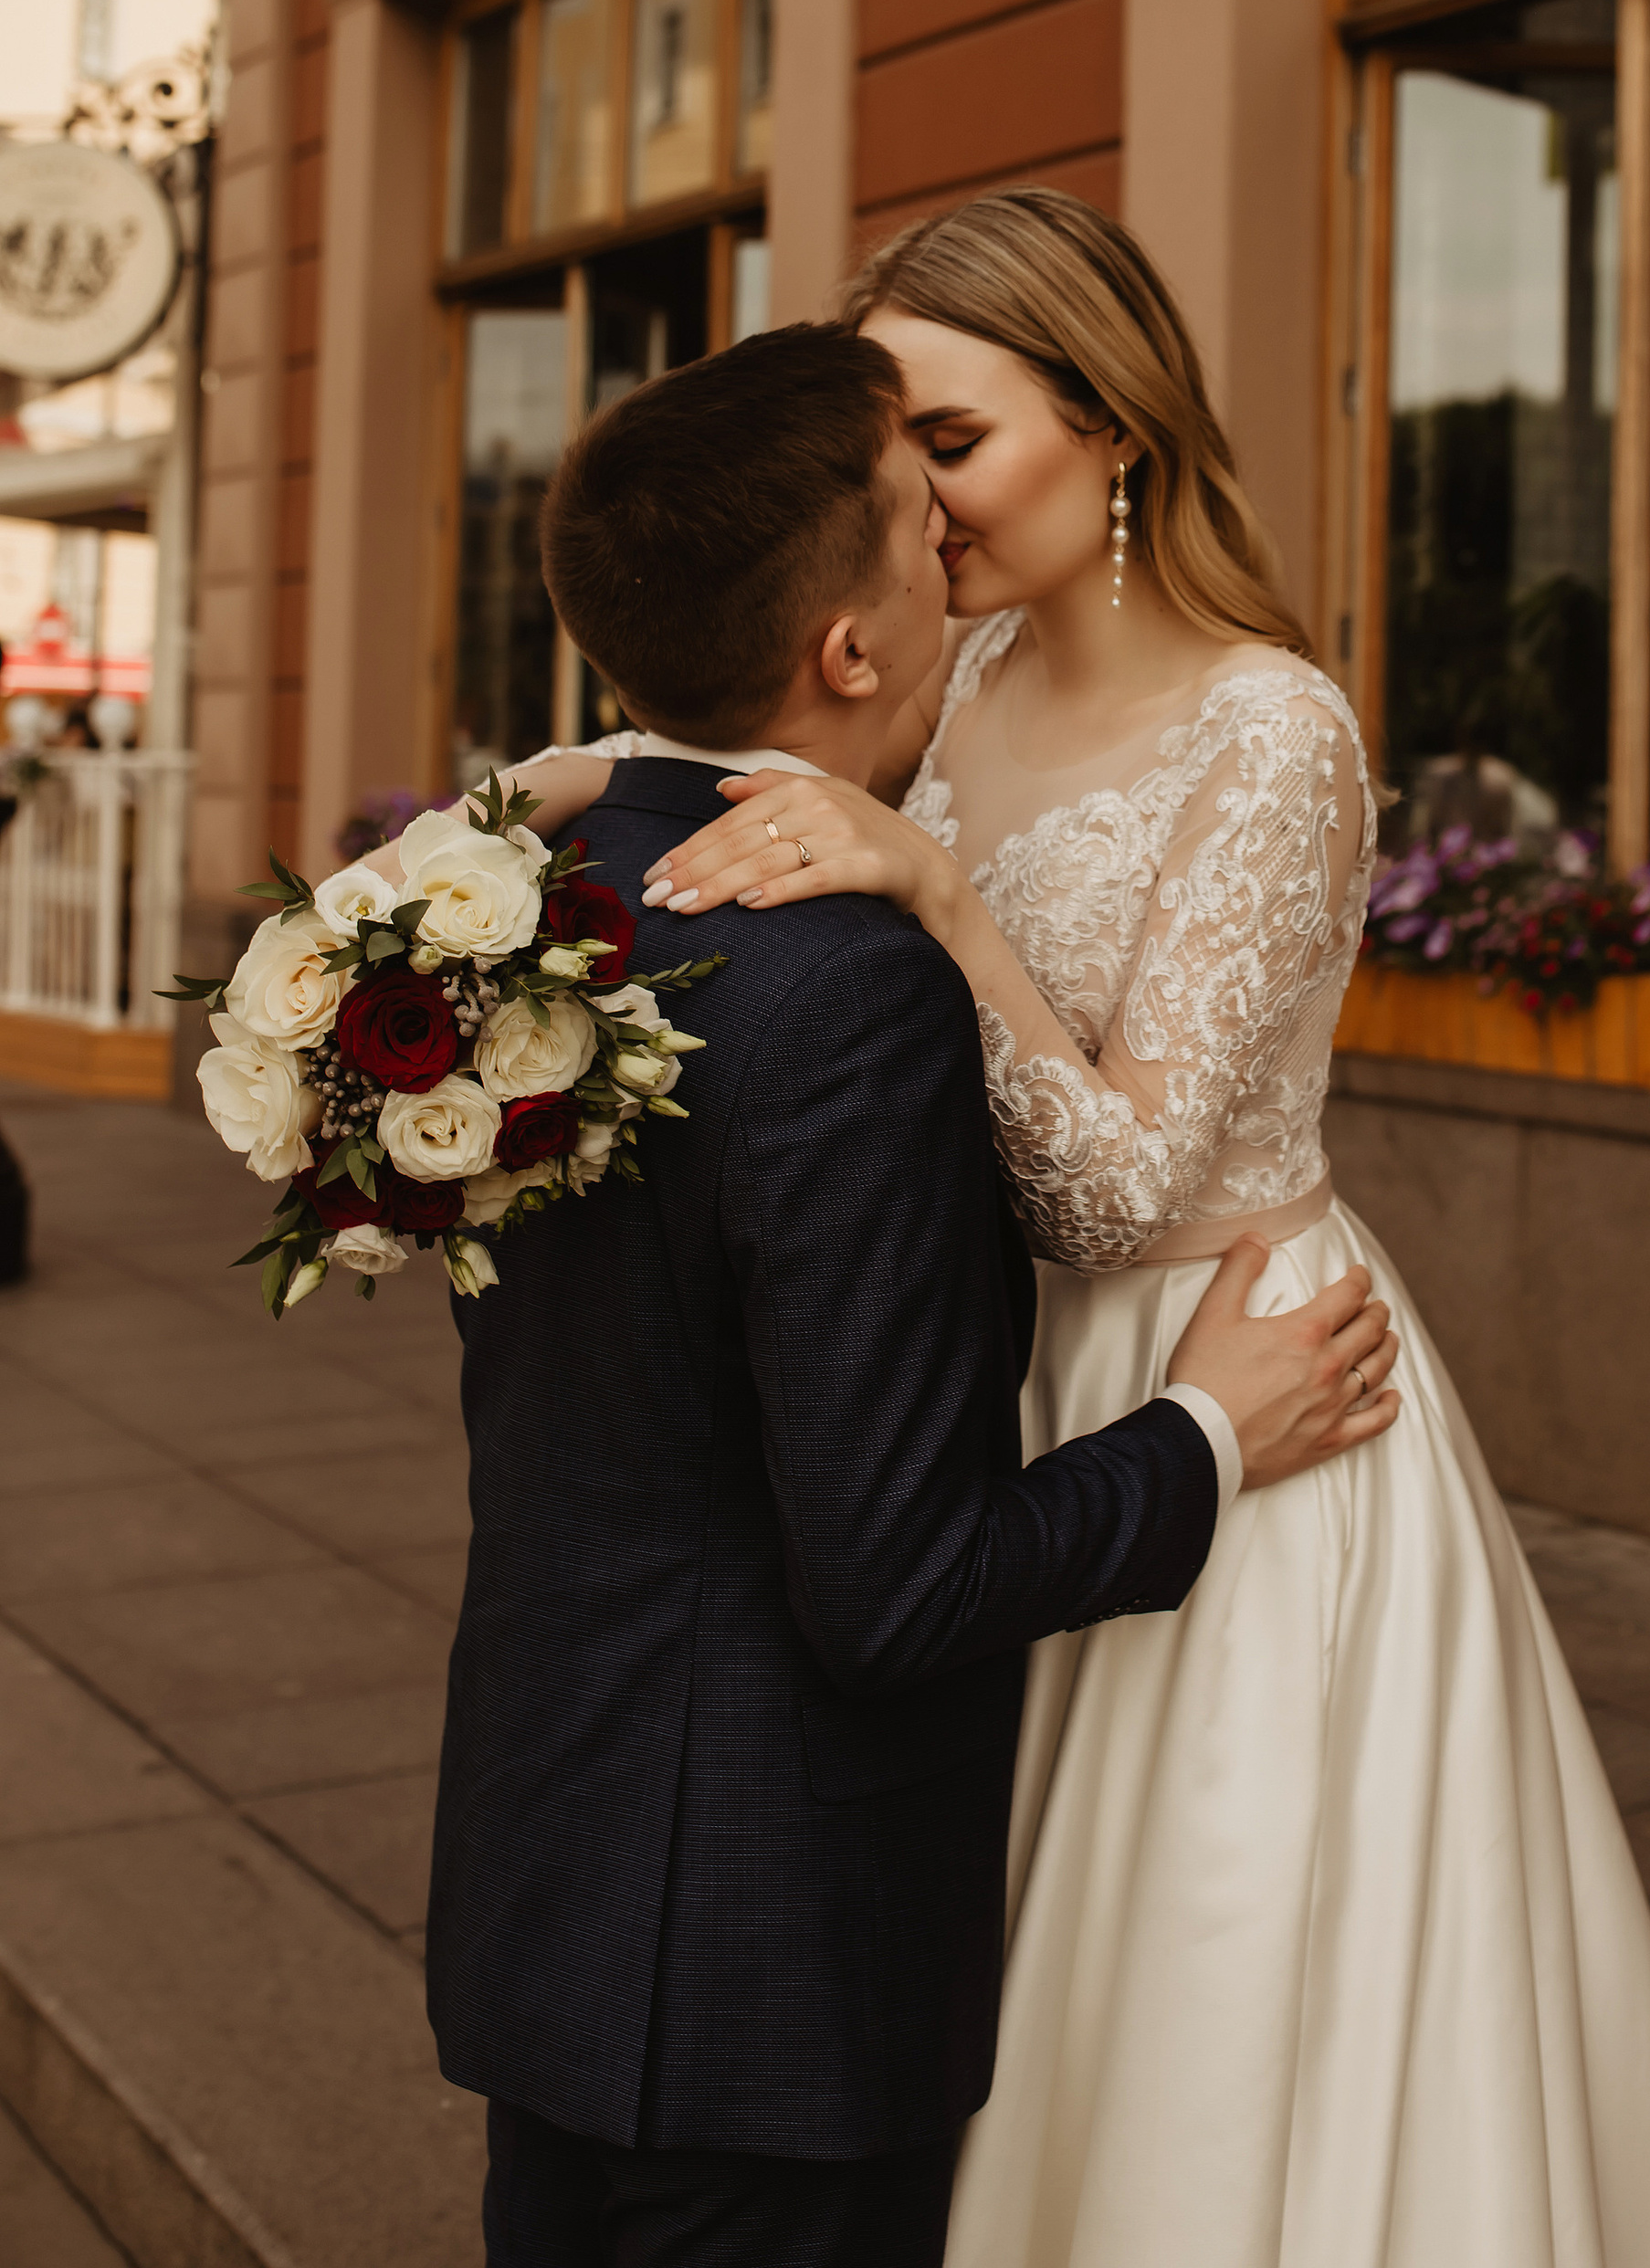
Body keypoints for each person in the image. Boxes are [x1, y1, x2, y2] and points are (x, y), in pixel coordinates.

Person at [522, 193, 1650, 2268]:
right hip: (1006, 1383)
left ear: (1110, 428)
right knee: (991, 1949)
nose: (907, 505)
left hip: (1233, 1375)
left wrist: (932, 900)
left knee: (1213, 1966)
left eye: (950, 440)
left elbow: (1120, 1186)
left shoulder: (1273, 730)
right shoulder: (958, 666)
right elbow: (780, 770)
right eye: (885, 449)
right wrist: (596, 780)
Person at [431, 321, 1401, 2268]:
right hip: (766, 1931)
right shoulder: (849, 984)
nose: (946, 537)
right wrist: (1213, 1431)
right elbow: (896, 1587)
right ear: (850, 652)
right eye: (913, 497)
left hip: (560, 1843)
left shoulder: (499, 899)